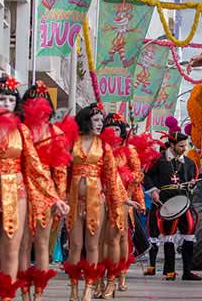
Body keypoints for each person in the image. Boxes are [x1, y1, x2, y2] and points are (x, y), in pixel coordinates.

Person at [0, 76, 68, 301]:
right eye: (2, 99)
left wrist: (54, 197)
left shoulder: (22, 131)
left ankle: (8, 297)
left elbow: (35, 167)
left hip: (16, 192)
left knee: (11, 248)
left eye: (11, 100)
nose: (7, 104)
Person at [18, 81, 74, 301]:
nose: (37, 105)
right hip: (21, 190)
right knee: (23, 243)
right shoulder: (20, 131)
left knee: (41, 244)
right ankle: (23, 293)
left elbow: (60, 171)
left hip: (46, 194)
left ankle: (39, 294)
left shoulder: (56, 132)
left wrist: (59, 198)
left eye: (41, 101)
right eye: (32, 101)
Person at [63, 103, 125, 301]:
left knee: (92, 246)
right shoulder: (72, 142)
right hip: (73, 201)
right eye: (97, 120)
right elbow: (64, 172)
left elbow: (111, 178)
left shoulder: (104, 147)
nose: (101, 124)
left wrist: (117, 206)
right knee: (74, 246)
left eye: (101, 121)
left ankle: (89, 287)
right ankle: (73, 289)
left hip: (96, 202)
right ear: (86, 120)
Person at [96, 113, 144, 298]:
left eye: (116, 128)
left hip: (123, 198)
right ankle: (100, 277)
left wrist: (123, 177)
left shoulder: (129, 149)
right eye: (109, 128)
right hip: (100, 197)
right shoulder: (99, 148)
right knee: (99, 240)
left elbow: (138, 175)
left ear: (122, 131)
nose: (113, 131)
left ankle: (118, 276)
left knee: (120, 238)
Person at [143, 131, 201, 281]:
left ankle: (187, 272)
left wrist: (192, 184)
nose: (184, 148)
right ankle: (170, 271)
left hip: (183, 203)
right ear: (172, 144)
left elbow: (194, 178)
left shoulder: (189, 163)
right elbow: (146, 176)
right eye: (181, 146)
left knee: (189, 234)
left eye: (185, 145)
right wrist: (153, 191)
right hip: (166, 204)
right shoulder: (158, 161)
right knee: (168, 236)